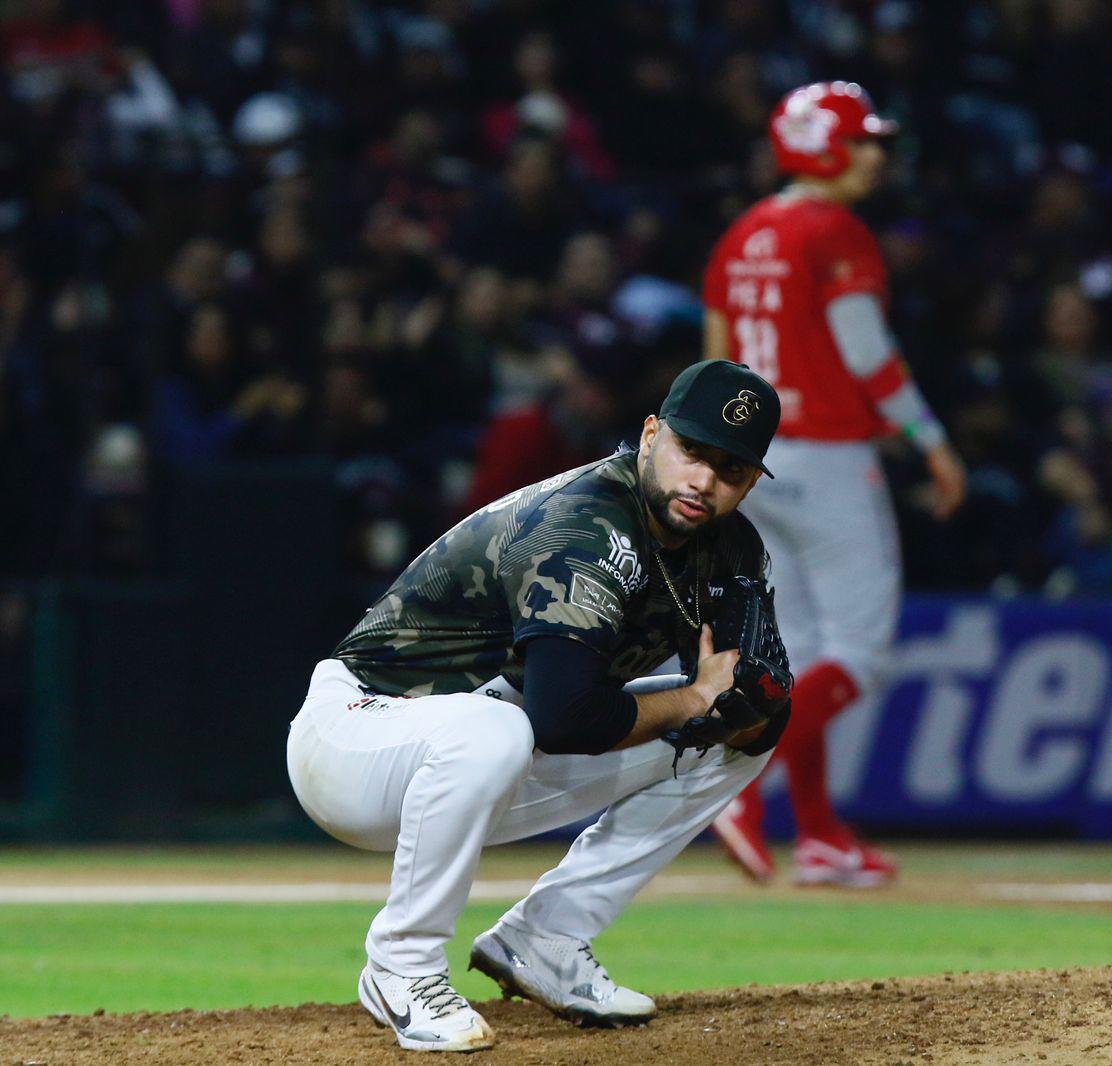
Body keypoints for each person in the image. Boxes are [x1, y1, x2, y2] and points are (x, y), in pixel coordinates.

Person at [286, 360, 789, 1052]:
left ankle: (547, 938)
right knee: (503, 728)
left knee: (726, 738)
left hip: (487, 749)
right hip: (356, 736)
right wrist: (694, 698)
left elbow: (744, 701)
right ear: (650, 435)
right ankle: (402, 965)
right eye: (691, 451)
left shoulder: (728, 548)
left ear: (752, 481)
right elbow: (565, 718)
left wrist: (747, 706)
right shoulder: (587, 524)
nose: (703, 480)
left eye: (730, 469)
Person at [701, 81, 966, 887]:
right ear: (820, 145)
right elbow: (865, 351)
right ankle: (735, 786)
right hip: (824, 451)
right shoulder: (834, 229)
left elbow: (713, 359)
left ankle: (819, 834)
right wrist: (931, 441)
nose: (875, 156)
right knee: (858, 653)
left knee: (805, 649)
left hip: (749, 460)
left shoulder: (742, 234)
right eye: (862, 140)